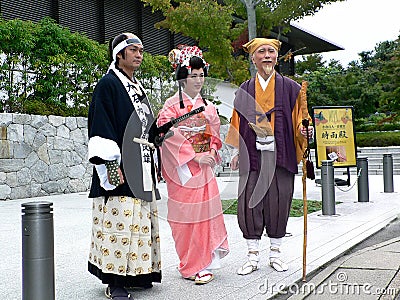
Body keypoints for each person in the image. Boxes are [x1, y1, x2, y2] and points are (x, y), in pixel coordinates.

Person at [225, 38, 312, 275]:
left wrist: (305, 131)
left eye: (271, 52)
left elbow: (301, 120)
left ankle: (275, 254)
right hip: (252, 156)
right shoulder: (244, 89)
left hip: (280, 154)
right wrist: (235, 151)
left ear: (276, 57)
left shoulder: (292, 88)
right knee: (249, 204)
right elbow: (237, 122)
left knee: (279, 201)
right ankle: (252, 256)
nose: (266, 56)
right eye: (261, 52)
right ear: (253, 58)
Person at [87, 33, 162, 300]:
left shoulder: (137, 87)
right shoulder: (108, 85)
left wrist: (157, 135)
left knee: (139, 221)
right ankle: (114, 282)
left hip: (140, 164)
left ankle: (137, 274)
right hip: (119, 164)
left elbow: (144, 124)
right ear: (119, 55)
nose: (139, 54)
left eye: (141, 50)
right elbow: (101, 125)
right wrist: (109, 165)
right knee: (119, 221)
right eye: (133, 50)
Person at [157, 46, 229, 285]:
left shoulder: (208, 106)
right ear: (182, 77)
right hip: (183, 170)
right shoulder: (170, 106)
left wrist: (211, 151)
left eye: (201, 75)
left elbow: (215, 135)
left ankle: (204, 263)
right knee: (185, 218)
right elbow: (166, 136)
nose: (198, 80)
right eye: (193, 75)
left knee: (206, 215)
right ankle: (190, 264)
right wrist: (194, 156)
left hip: (204, 168)